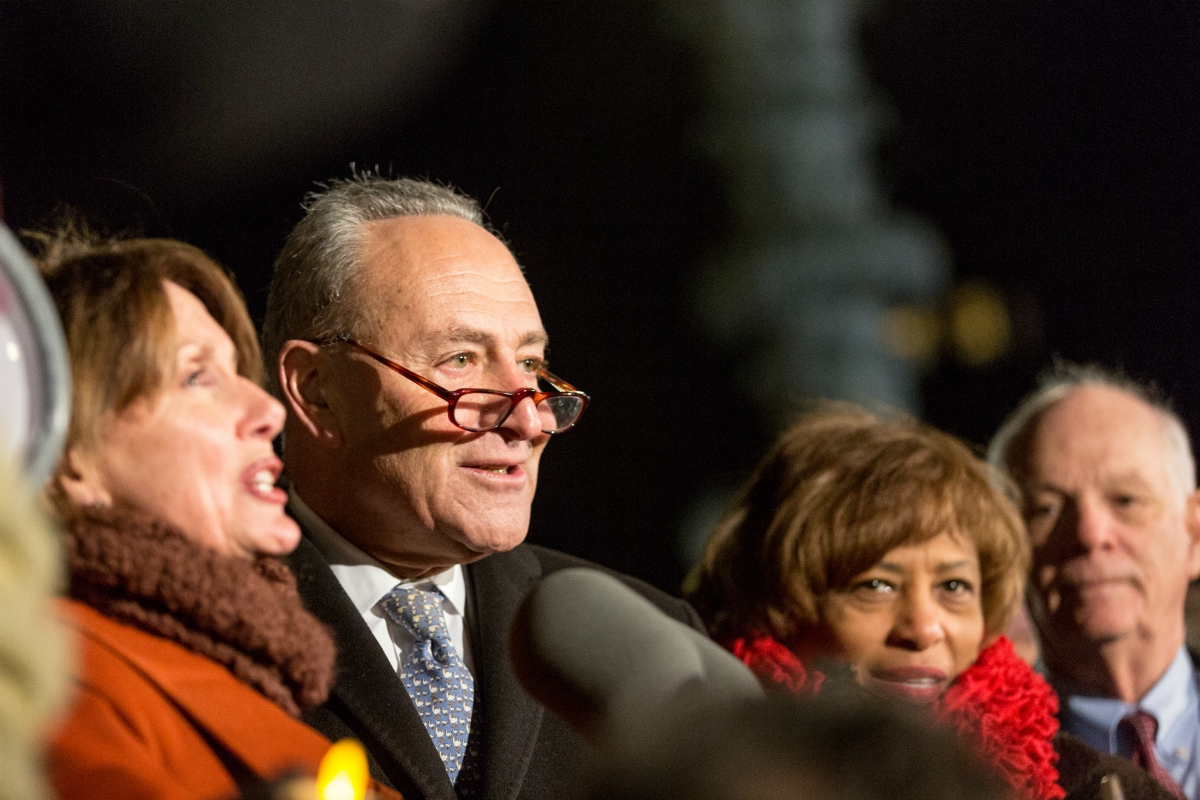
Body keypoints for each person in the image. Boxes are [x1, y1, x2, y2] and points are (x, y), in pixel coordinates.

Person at [262, 174, 704, 800]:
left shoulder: (652, 646)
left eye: (529, 364)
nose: (529, 420)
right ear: (317, 391)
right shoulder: (194, 632)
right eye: (461, 360)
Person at [33, 229, 400, 800]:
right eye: (196, 377)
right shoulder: (55, 684)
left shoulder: (236, 668)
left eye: (237, 372)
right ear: (69, 457)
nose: (268, 409)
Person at [687, 404, 1175, 800]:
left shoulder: (1094, 788)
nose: (923, 628)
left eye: (953, 587)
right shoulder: (690, 762)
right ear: (777, 603)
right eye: (876, 586)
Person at [990, 364, 1200, 800]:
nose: (1089, 533)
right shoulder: (973, 768)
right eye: (1046, 509)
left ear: (1195, 535)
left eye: (1125, 500)